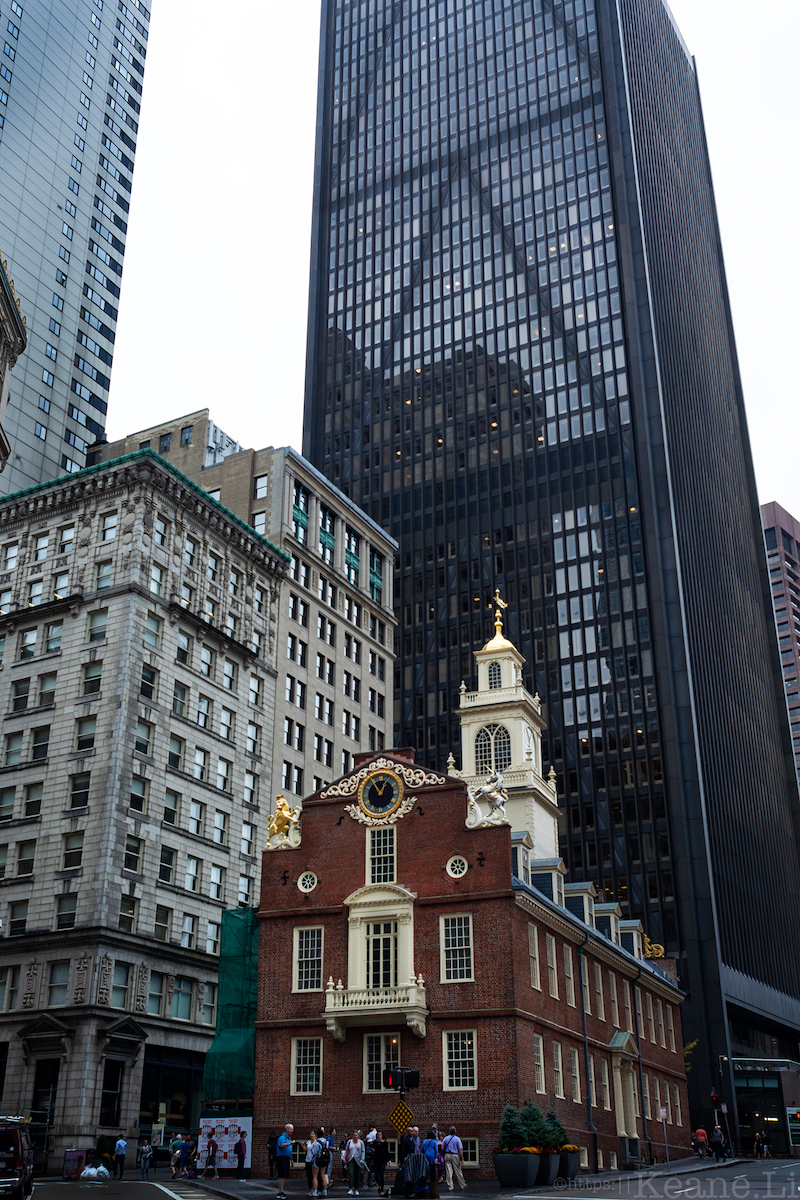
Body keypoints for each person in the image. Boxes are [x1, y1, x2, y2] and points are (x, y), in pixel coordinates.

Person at [441, 1127, 466, 1192]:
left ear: (449, 1131)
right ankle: (462, 1184)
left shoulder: (446, 1138)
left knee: (449, 1171)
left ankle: (450, 1186)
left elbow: (442, 1148)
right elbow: (460, 1150)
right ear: (455, 1131)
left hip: (447, 1154)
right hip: (455, 1155)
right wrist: (462, 1158)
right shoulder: (457, 1139)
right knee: (458, 1170)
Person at [277, 1124, 296, 1199]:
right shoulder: (282, 1137)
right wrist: (290, 1143)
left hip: (286, 1158)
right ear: (287, 1129)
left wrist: (291, 1158)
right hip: (281, 1158)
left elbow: (289, 1149)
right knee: (281, 1175)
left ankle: (281, 1191)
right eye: (291, 1129)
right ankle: (280, 1192)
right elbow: (281, 1145)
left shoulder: (288, 1138)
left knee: (284, 1175)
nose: (292, 1131)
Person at [421, 1129, 441, 1199]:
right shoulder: (434, 1142)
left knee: (426, 1169)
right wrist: (436, 1157)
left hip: (426, 1156)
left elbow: (422, 1149)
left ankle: (426, 1179)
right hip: (432, 1157)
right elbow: (436, 1150)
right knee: (432, 1169)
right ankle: (432, 1180)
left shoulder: (424, 1141)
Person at [346, 1130, 366, 1196]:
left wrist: (362, 1160)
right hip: (351, 1159)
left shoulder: (361, 1142)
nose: (355, 1137)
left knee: (357, 1174)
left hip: (358, 1159)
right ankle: (351, 1188)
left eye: (356, 1135)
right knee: (351, 1173)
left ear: (358, 1136)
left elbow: (363, 1151)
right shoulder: (349, 1142)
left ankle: (356, 1189)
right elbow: (346, 1150)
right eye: (354, 1135)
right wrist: (344, 1158)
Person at [372, 1131, 391, 1196]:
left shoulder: (384, 1143)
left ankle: (382, 1188)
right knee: (376, 1175)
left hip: (382, 1160)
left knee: (381, 1174)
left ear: (382, 1136)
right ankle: (379, 1184)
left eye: (380, 1135)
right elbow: (373, 1149)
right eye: (378, 1135)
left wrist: (389, 1161)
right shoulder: (375, 1142)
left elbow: (386, 1152)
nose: (379, 1136)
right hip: (376, 1160)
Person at [306, 1130, 323, 1197]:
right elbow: (306, 1150)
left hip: (314, 1161)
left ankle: (317, 1189)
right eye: (311, 1134)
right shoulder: (308, 1142)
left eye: (313, 1134)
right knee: (309, 1176)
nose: (311, 1135)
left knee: (316, 1176)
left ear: (316, 1135)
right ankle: (311, 1190)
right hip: (308, 1160)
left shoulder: (317, 1143)